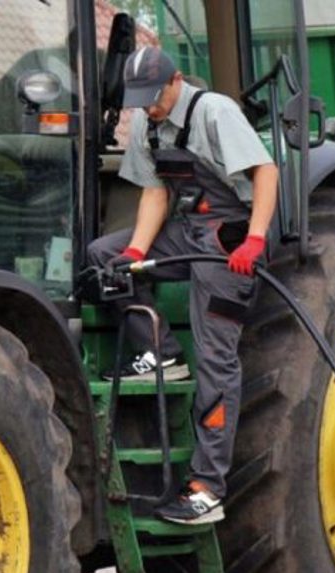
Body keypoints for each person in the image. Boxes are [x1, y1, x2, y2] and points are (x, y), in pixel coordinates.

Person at [88, 47, 278, 524]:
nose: (148, 107)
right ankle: (161, 353)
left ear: (175, 81)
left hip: (230, 234)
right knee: (104, 258)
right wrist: (136, 252)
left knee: (217, 357)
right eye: (140, 101)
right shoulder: (147, 125)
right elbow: (155, 192)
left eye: (154, 97)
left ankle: (207, 487)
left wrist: (254, 240)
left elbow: (265, 171)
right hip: (188, 228)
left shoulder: (214, 111)